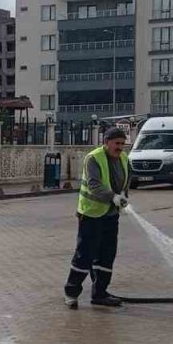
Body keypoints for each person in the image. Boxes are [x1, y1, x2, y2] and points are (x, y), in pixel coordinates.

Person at [64, 127, 130, 309]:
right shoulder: (93, 158)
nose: (120, 147)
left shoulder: (124, 158)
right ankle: (71, 293)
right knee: (85, 255)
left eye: (122, 144)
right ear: (106, 142)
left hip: (111, 216)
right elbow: (94, 184)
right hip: (91, 215)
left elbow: (126, 182)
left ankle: (100, 293)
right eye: (116, 143)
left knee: (107, 255)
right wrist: (112, 197)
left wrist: (124, 197)